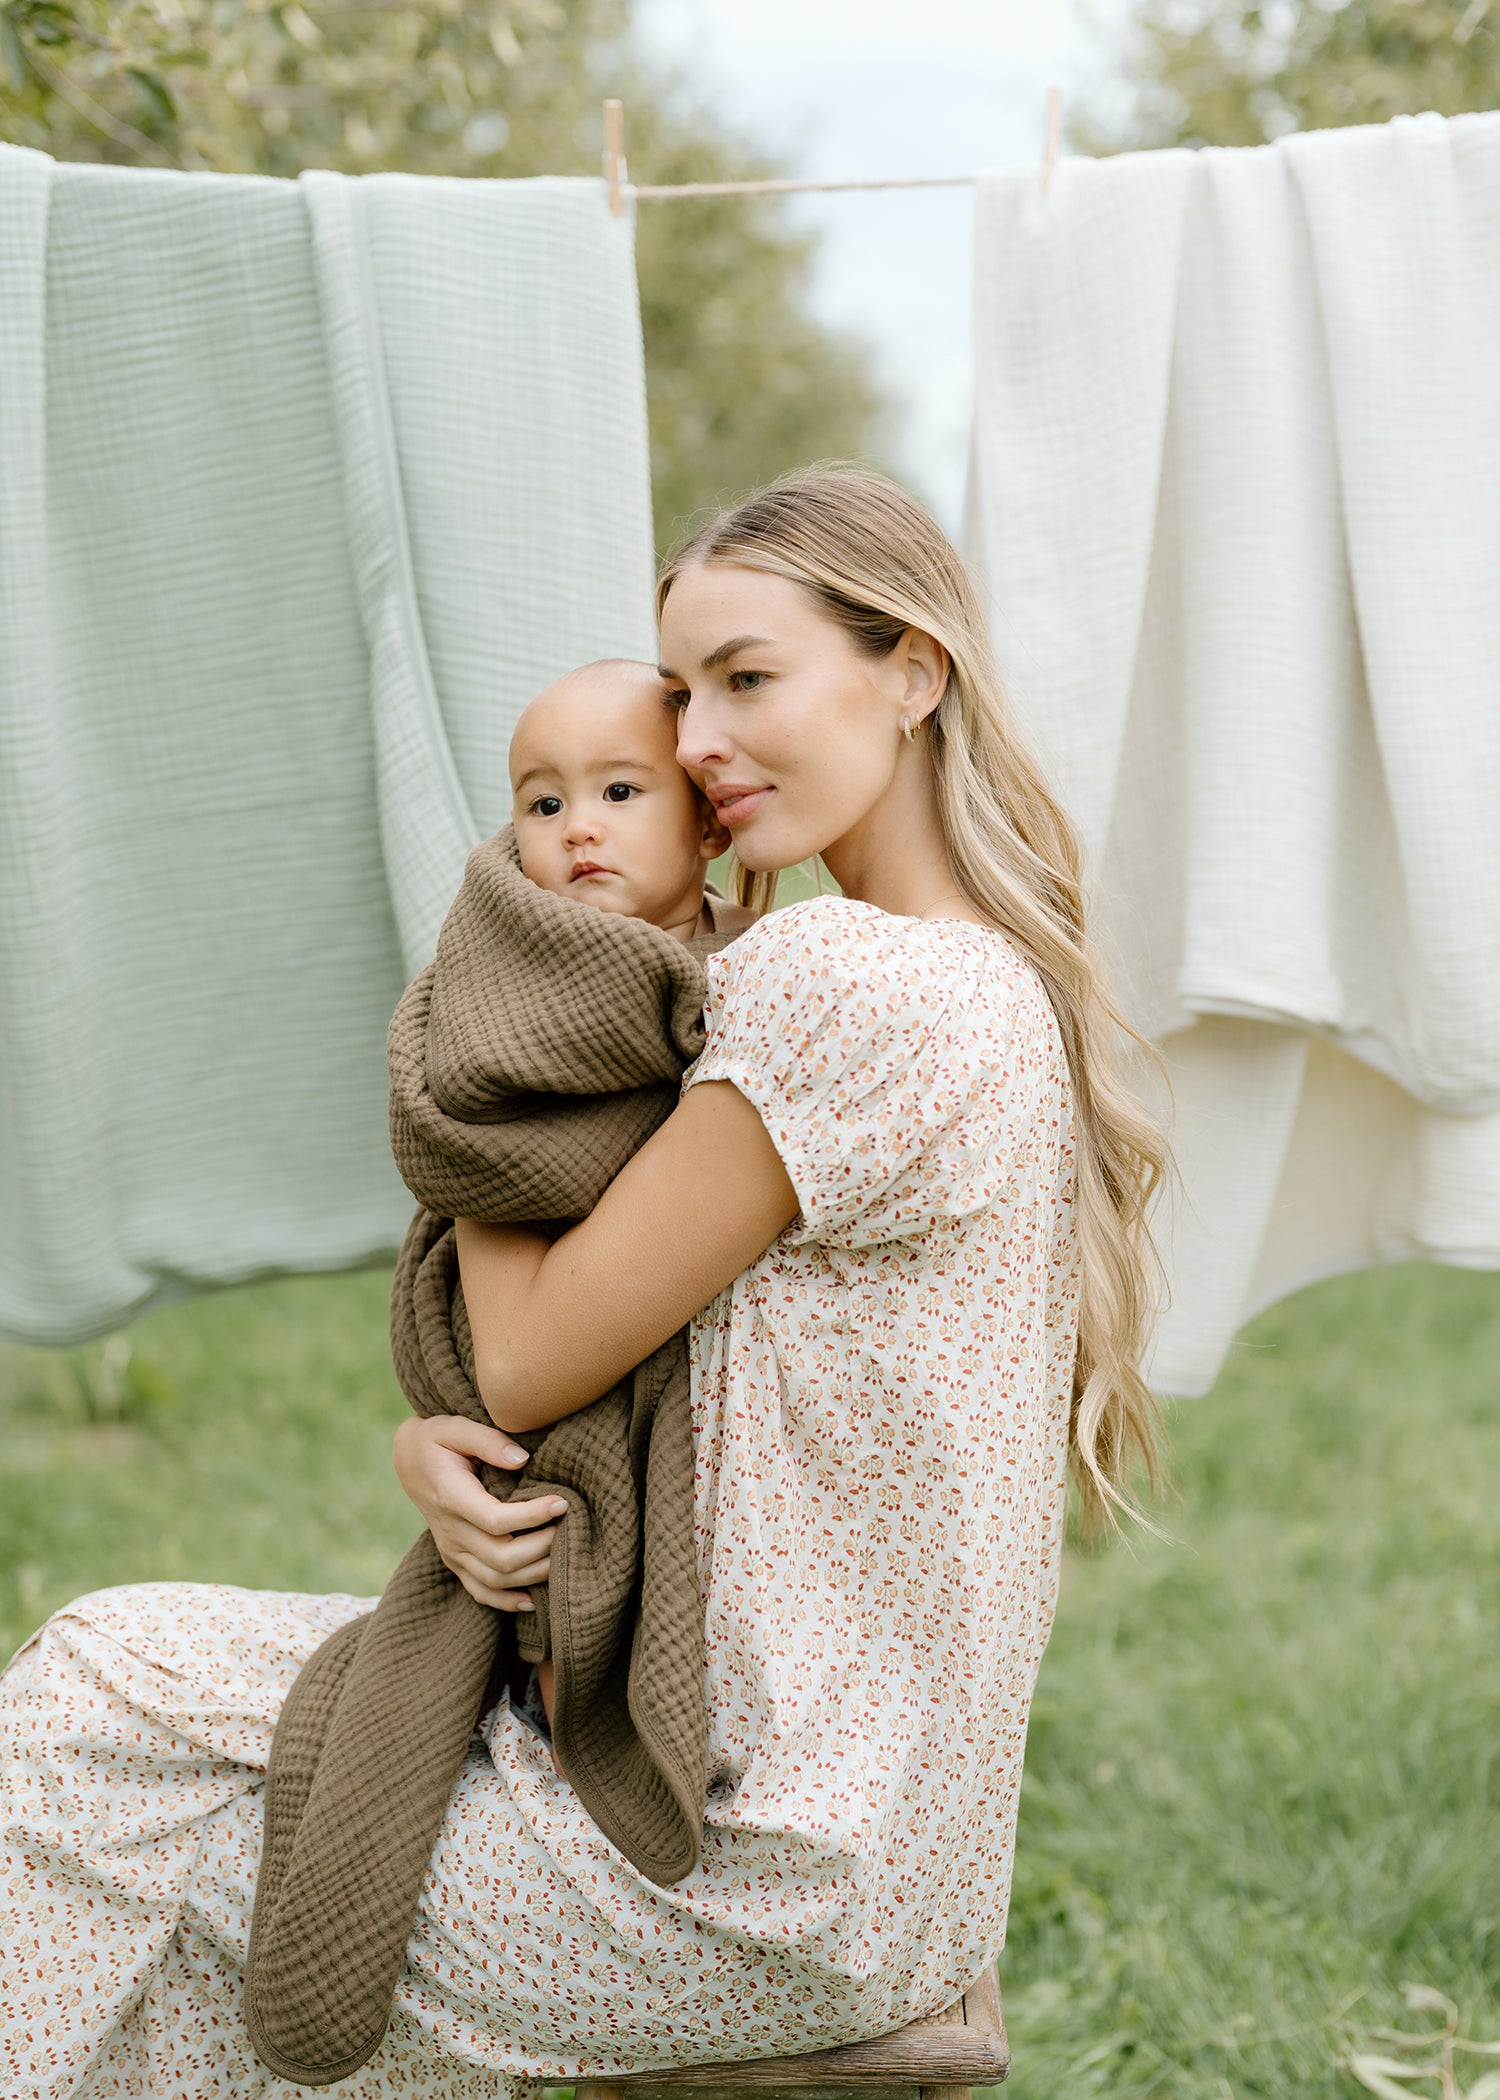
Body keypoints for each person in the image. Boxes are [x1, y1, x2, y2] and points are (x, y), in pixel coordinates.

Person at [0, 466, 1167, 2100]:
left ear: (912, 672)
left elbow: (532, 1356)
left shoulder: (853, 982)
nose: (698, 740)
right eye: (687, 695)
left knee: (91, 1700)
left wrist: (495, 1049)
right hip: (883, 1862)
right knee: (157, 1810)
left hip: (737, 1865)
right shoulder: (982, 988)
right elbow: (647, 1361)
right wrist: (439, 1449)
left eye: (749, 680)